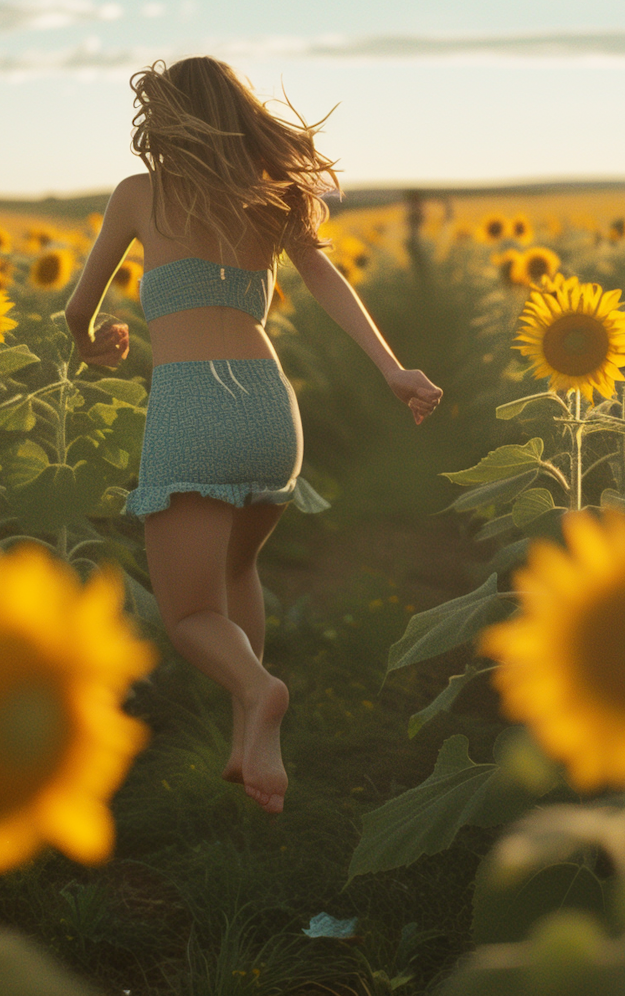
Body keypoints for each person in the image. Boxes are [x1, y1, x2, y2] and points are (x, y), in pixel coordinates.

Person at [62, 56, 443, 815]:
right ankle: (249, 744)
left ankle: (259, 690)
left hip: (193, 404)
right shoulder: (271, 198)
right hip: (271, 410)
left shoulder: (140, 195)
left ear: (165, 121)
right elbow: (327, 281)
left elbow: (82, 303)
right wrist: (394, 370)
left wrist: (89, 340)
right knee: (239, 573)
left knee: (189, 616)